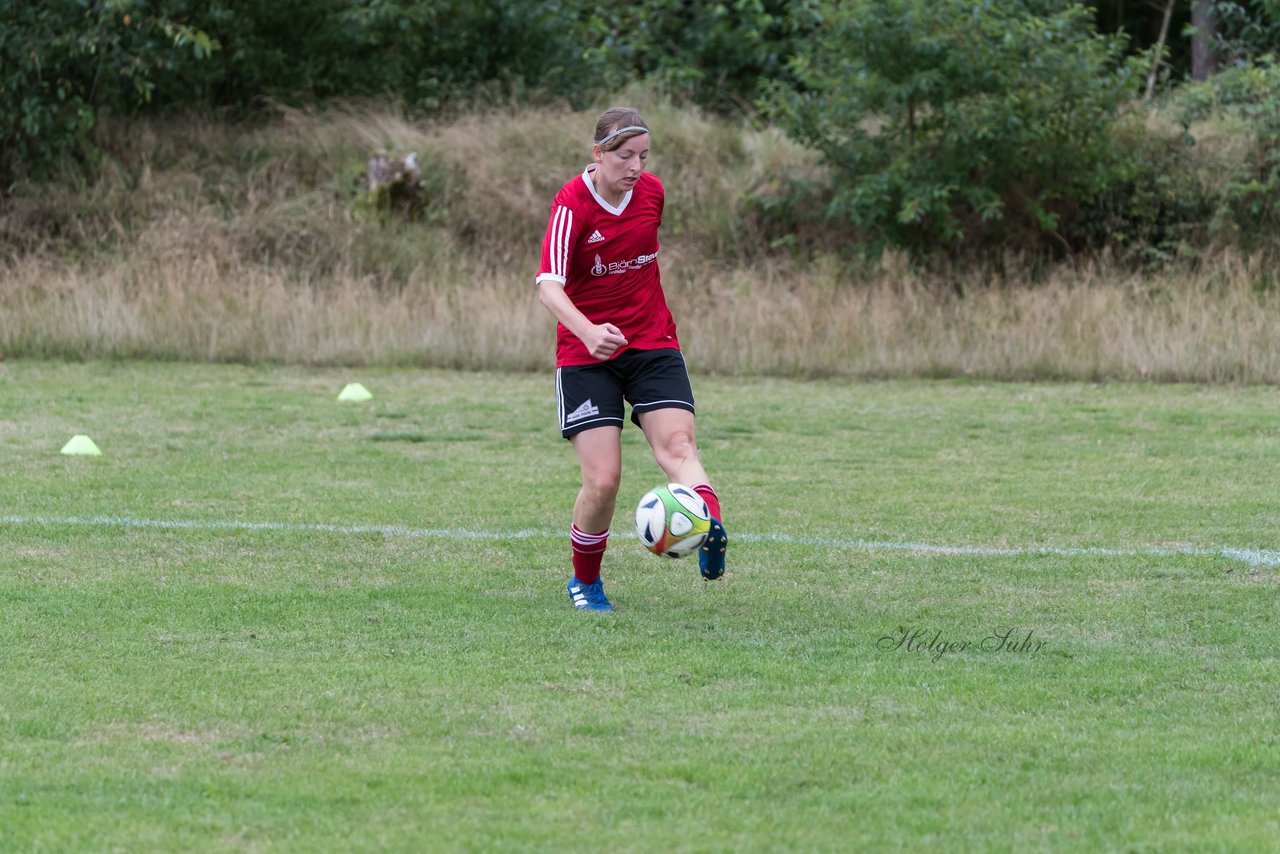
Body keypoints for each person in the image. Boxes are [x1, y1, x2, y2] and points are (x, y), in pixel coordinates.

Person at [534, 107, 728, 612]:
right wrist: (588, 330)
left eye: (643, 156)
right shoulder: (572, 205)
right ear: (597, 154)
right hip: (586, 353)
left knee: (679, 446)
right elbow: (548, 286)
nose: (636, 166)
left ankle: (710, 524)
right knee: (603, 480)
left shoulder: (652, 194)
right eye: (625, 156)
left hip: (652, 341)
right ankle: (585, 583)